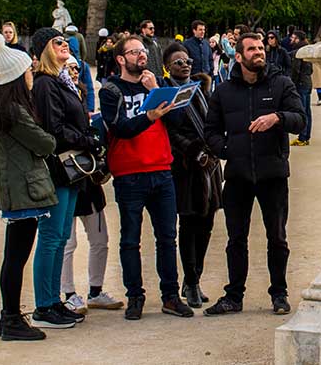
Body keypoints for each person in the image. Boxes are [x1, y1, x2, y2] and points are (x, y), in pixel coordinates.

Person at [203, 33, 306, 316]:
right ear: (238, 56)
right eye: (252, 49)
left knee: (277, 237)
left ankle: (279, 294)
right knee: (236, 239)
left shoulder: (281, 83)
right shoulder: (224, 91)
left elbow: (300, 120)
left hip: (272, 174)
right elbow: (210, 131)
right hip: (237, 176)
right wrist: (227, 150)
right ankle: (233, 296)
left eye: (261, 47)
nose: (258, 52)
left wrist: (278, 118)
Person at [99, 35, 192, 320]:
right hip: (129, 174)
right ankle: (135, 296)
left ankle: (171, 296)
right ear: (120, 59)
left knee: (167, 237)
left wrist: (157, 89)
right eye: (134, 52)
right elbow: (119, 128)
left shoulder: (157, 84)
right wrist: (149, 116)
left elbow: (178, 121)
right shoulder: (111, 89)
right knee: (130, 239)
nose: (141, 56)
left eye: (143, 51)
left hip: (162, 171)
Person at [0, 32, 57, 341]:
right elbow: (45, 143)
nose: (32, 74)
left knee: (14, 257)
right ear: (17, 76)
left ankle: (10, 317)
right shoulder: (14, 111)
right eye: (28, 70)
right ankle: (11, 318)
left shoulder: (5, 108)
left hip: (17, 189)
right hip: (23, 190)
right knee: (16, 258)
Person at [30, 27, 103, 329]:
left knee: (60, 237)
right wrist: (88, 140)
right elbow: (54, 130)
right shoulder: (46, 83)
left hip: (70, 171)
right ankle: (43, 306)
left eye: (65, 41)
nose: (65, 45)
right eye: (57, 41)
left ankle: (52, 301)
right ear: (44, 49)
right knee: (51, 238)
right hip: (59, 168)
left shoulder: (62, 81)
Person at [162, 43, 223, 308]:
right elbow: (169, 131)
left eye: (187, 61)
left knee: (207, 223)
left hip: (210, 166)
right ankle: (191, 280)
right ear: (168, 67)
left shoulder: (203, 91)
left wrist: (215, 146)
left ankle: (194, 276)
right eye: (178, 62)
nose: (185, 65)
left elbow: (214, 122)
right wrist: (194, 150)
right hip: (186, 167)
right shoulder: (167, 95)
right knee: (188, 224)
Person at [60, 57, 123, 314]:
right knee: (67, 241)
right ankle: (68, 293)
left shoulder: (81, 95)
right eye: (69, 68)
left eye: (76, 68)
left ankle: (95, 291)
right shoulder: (52, 95)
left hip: (89, 180)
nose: (74, 72)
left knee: (100, 238)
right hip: (67, 175)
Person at [290, 30, 313, 147]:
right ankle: (305, 136)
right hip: (307, 82)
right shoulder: (308, 50)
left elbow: (295, 70)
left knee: (303, 111)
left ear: (298, 39)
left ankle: (303, 137)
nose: (291, 40)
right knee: (307, 111)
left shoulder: (299, 52)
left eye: (293, 38)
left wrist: (292, 84)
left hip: (300, 84)